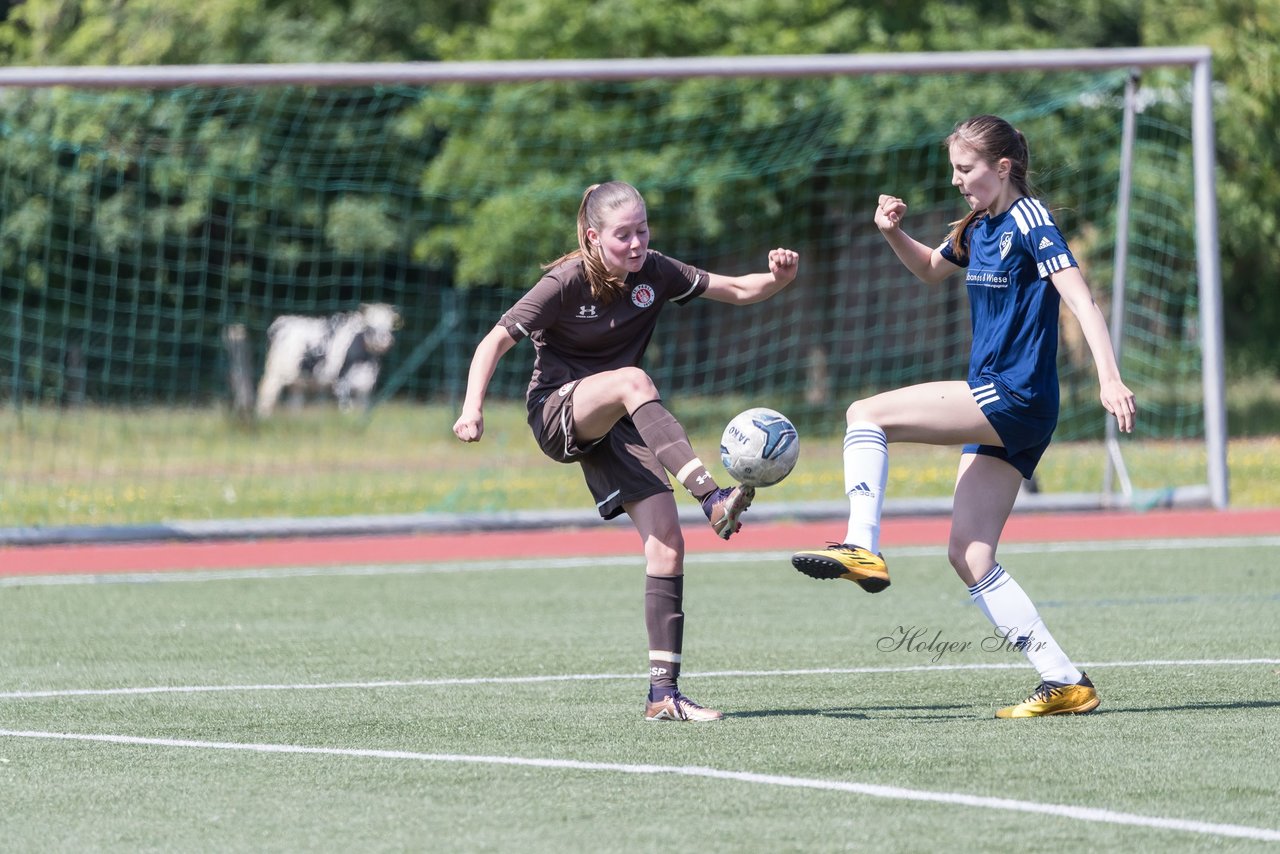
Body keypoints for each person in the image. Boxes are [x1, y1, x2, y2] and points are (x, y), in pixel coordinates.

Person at [792, 115, 1136, 718]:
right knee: (970, 555)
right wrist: (892, 233)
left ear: (1002, 168)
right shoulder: (979, 226)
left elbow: (1079, 298)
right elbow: (929, 270)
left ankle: (860, 544)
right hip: (1009, 404)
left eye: (966, 168)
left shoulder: (1031, 220)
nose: (957, 181)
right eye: (953, 168)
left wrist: (1109, 377)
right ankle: (1064, 681)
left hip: (1016, 394)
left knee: (864, 413)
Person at [454, 181, 800, 722]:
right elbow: (493, 340)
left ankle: (663, 695)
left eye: (642, 230)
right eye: (623, 235)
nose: (637, 243)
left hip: (618, 420)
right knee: (633, 380)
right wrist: (472, 407)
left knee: (666, 543)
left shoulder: (654, 272)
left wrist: (777, 281)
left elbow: (735, 288)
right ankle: (713, 498)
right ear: (593, 237)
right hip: (558, 410)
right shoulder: (564, 281)